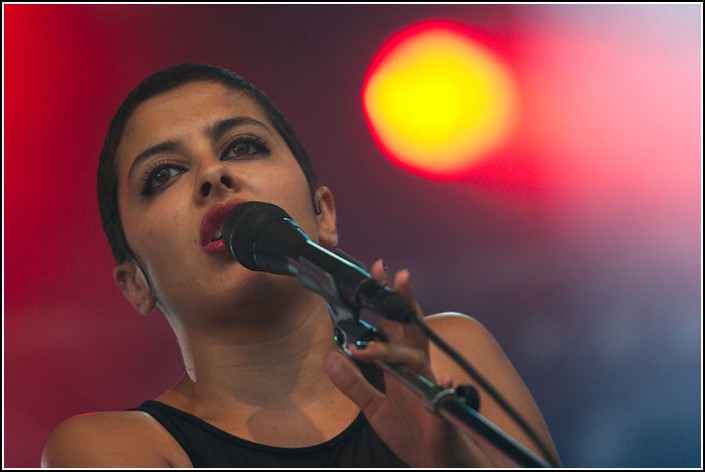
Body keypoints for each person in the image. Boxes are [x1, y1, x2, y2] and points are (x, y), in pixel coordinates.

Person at [41, 63, 560, 468]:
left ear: (323, 214)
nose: (214, 173)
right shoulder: (108, 448)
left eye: (242, 146)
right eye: (163, 174)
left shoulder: (450, 359)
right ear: (134, 284)